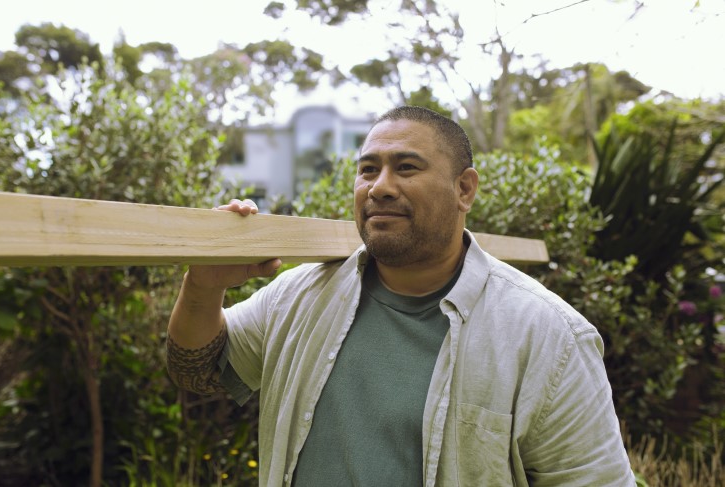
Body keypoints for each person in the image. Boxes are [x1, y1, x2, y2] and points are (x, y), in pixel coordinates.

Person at [167, 106, 635, 486]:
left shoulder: (548, 336)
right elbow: (199, 369)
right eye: (368, 170)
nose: (380, 187)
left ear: (464, 189)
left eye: (406, 168)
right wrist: (204, 286)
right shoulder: (300, 294)